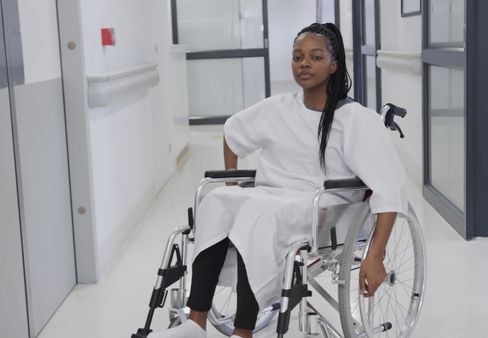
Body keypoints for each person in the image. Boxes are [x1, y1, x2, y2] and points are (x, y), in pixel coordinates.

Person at [151, 22, 407, 338]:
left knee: (258, 215)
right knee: (217, 199)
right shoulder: (278, 108)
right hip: (274, 196)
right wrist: (232, 185)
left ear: (333, 64)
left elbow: (388, 188)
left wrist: (376, 255)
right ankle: (195, 322)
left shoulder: (355, 119)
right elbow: (233, 133)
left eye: (315, 57)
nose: (304, 64)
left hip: (327, 204)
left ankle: (243, 332)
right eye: (298, 57)